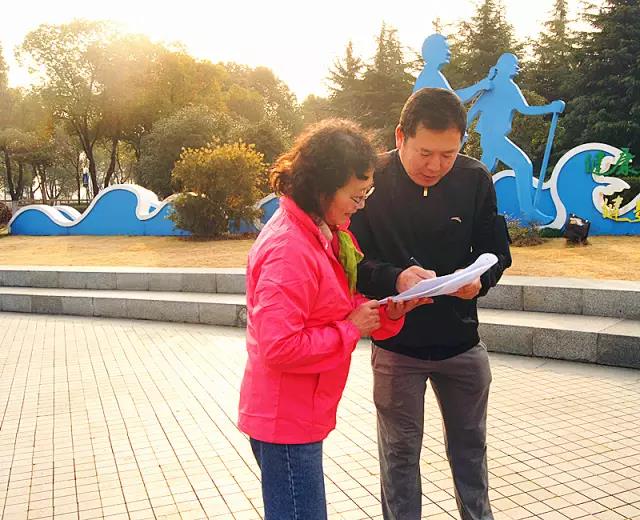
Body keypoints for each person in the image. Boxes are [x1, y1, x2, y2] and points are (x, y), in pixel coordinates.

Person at [238, 119, 430, 520]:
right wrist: (351, 329)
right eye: (356, 196)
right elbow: (279, 346)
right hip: (285, 420)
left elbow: (335, 304)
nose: (361, 205)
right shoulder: (289, 249)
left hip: (300, 415)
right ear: (322, 187)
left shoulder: (321, 233)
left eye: (366, 194)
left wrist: (388, 312)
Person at [350, 88, 511, 520]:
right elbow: (352, 260)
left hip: (461, 344)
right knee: (399, 459)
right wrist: (395, 278)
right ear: (400, 136)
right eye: (425, 152)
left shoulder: (475, 178)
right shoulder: (369, 180)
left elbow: (498, 251)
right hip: (397, 348)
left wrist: (479, 281)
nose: (435, 166)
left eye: (448, 154)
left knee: (471, 453)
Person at [467, 53, 565, 224]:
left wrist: (550, 108)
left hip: (491, 137)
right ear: (504, 66)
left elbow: (522, 109)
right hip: (493, 137)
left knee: (482, 173)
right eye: (513, 65)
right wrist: (550, 108)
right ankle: (528, 211)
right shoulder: (497, 87)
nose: (516, 68)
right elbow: (475, 110)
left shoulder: (502, 86)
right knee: (523, 165)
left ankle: (466, 203)